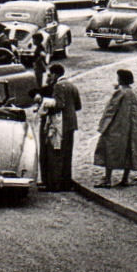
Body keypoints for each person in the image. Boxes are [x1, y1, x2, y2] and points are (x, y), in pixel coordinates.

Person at [94, 68, 137, 187]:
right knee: (128, 151)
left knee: (109, 150)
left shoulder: (120, 92)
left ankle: (107, 180)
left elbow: (110, 110)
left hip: (117, 126)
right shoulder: (132, 93)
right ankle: (125, 179)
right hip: (129, 128)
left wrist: (103, 126)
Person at [42, 63, 81, 191]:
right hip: (71, 123)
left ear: (55, 74)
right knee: (67, 154)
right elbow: (78, 106)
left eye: (51, 74)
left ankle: (55, 184)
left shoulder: (58, 86)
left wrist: (46, 105)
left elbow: (59, 105)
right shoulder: (72, 85)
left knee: (56, 153)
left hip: (61, 124)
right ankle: (66, 182)